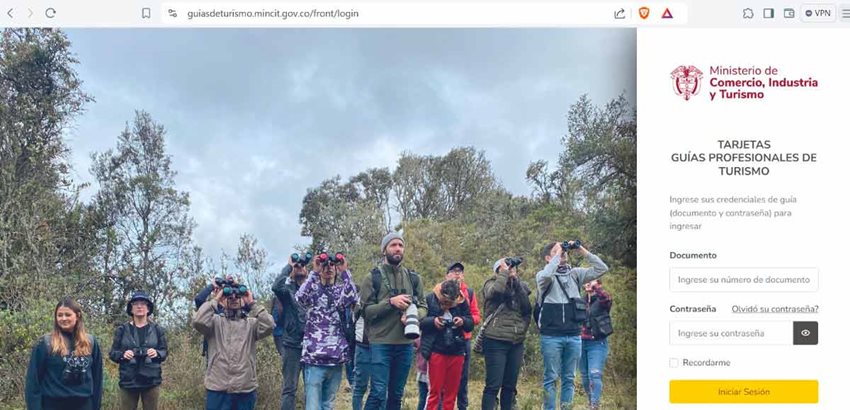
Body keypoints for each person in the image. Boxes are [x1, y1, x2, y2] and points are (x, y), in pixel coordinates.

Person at [536, 241, 609, 410]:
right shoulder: (543, 275)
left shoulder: (576, 274)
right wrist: (559, 253)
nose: (562, 253)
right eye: (556, 251)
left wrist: (581, 249)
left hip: (574, 335)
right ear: (548, 258)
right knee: (551, 377)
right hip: (551, 336)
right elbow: (547, 275)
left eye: (563, 251)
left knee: (569, 378)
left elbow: (602, 268)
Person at [359, 232, 426, 410]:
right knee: (378, 392)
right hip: (381, 343)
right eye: (393, 245)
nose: (397, 248)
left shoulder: (414, 278)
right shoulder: (372, 277)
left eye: (400, 245)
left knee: (397, 394)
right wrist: (390, 303)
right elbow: (366, 312)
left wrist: (413, 316)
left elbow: (424, 307)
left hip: (405, 344)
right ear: (384, 250)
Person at [192, 278, 274, 410]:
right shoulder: (214, 323)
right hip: (218, 386)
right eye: (229, 296)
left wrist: (252, 303)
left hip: (245, 387)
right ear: (223, 299)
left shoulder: (251, 324)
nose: (234, 298)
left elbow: (269, 326)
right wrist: (216, 299)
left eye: (238, 296)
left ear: (243, 299)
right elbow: (198, 321)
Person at [296, 251, 359, 410]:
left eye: (332, 264)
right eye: (325, 265)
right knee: (313, 406)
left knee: (328, 406)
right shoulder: (313, 290)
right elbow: (300, 298)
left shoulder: (340, 292)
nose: (328, 268)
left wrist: (344, 271)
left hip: (335, 359)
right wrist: (314, 272)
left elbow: (353, 296)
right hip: (314, 359)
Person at [25, 297, 103, 410]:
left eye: (68, 314)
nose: (63, 318)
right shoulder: (45, 343)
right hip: (53, 404)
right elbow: (33, 382)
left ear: (77, 316)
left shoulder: (90, 342)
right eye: (60, 315)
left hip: (84, 404)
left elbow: (97, 380)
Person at [480, 258, 532, 410]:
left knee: (510, 386)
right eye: (508, 267)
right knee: (493, 385)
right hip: (495, 340)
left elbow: (527, 309)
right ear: (498, 270)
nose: (511, 269)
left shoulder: (520, 286)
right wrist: (503, 273)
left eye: (513, 267)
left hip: (516, 341)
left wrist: (522, 329)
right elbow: (496, 292)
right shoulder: (490, 283)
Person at [109, 291, 168, 410]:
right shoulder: (122, 330)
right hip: (128, 380)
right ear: (131, 309)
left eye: (143, 303)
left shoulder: (157, 330)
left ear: (148, 308)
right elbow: (113, 353)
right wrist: (123, 355)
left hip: (151, 380)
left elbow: (164, 352)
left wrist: (156, 353)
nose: (139, 306)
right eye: (136, 304)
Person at [420, 279, 474, 410]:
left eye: (451, 304)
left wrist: (462, 321)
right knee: (434, 392)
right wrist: (434, 321)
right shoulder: (430, 298)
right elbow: (420, 322)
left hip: (457, 350)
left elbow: (470, 323)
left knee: (451, 393)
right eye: (444, 303)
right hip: (436, 350)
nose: (447, 306)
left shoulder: (462, 302)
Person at [272, 255, 310, 410]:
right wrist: (289, 266)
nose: (300, 267)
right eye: (297, 266)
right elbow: (276, 286)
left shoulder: (313, 289)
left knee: (312, 388)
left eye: (302, 265)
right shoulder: (287, 292)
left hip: (312, 346)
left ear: (308, 271)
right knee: (289, 389)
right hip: (292, 345)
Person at [443, 262, 480, 410]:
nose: (457, 274)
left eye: (460, 271)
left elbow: (476, 316)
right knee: (443, 379)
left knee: (462, 379)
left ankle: (463, 407)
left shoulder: (469, 293)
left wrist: (464, 321)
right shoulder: (440, 291)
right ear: (447, 275)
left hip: (463, 339)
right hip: (443, 339)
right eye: (453, 271)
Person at [579, 279, 613, 410]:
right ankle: (590, 402)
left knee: (595, 374)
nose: (589, 284)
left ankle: (595, 405)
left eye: (592, 281)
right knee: (585, 376)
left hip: (597, 343)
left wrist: (596, 288)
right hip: (581, 343)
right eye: (587, 282)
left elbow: (606, 298)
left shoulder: (602, 301)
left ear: (599, 284)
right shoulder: (580, 301)